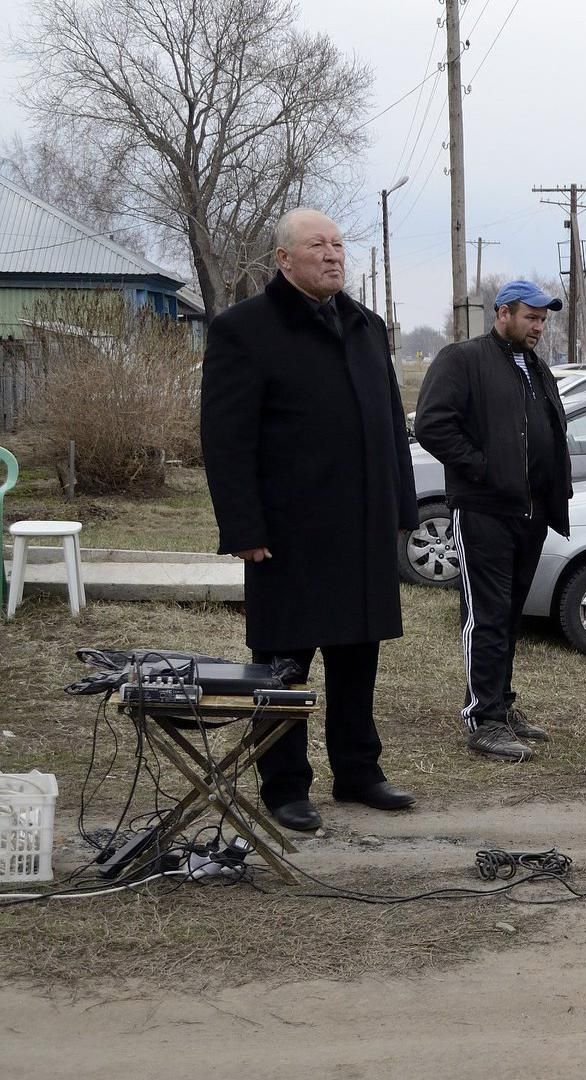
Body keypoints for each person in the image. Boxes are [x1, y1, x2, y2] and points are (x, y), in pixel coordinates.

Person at [200, 208, 418, 832]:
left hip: (362, 529)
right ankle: (285, 785)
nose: (332, 255)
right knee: (283, 668)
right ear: (283, 259)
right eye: (317, 245)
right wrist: (244, 529)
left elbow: (391, 432)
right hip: (288, 535)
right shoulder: (245, 329)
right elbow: (226, 438)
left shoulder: (365, 326)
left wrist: (402, 509)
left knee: (358, 658)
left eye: (338, 245)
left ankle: (358, 770)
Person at [414, 280, 574, 762]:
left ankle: (501, 706)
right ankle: (482, 718)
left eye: (544, 319)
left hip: (531, 513)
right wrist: (483, 468)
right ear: (503, 313)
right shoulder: (463, 358)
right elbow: (432, 424)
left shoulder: (536, 368)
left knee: (509, 615)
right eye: (531, 317)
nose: (539, 327)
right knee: (485, 616)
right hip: (484, 511)